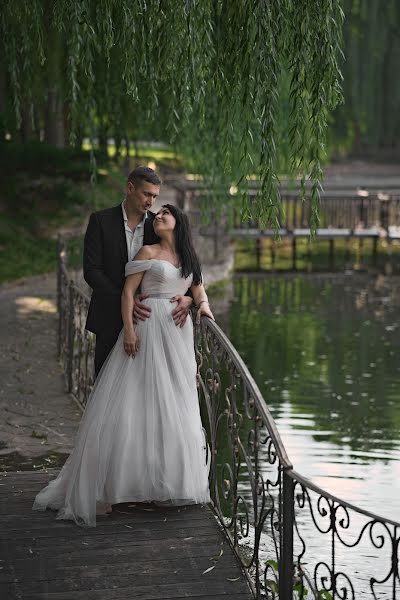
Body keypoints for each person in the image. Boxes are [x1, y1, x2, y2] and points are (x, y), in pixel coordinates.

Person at [32, 204, 214, 527]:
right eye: (156, 213)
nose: (157, 216)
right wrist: (129, 330)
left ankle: (161, 482)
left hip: (176, 337)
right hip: (148, 331)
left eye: (165, 214)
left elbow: (197, 287)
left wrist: (197, 303)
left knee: (172, 405)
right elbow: (128, 293)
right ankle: (111, 485)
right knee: (133, 402)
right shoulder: (147, 250)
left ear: (179, 223)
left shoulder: (188, 257)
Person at [83, 165, 193, 377]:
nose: (150, 202)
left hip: (149, 326)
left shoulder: (158, 224)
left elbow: (182, 263)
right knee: (105, 387)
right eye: (146, 194)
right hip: (109, 316)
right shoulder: (100, 221)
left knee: (143, 390)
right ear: (130, 188)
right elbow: (92, 271)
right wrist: (127, 300)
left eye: (155, 196)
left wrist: (190, 299)